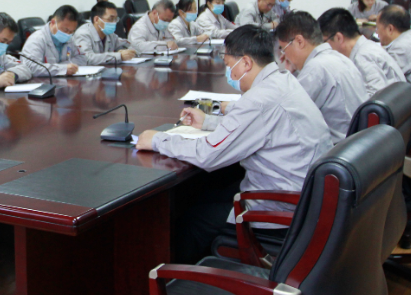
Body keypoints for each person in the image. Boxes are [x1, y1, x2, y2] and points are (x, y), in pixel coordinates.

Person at [136, 25, 332, 263]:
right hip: (305, 198)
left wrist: (157, 139)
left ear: (246, 63)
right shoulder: (283, 80)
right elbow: (256, 126)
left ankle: (184, 278)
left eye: (229, 65)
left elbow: (207, 154)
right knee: (206, 195)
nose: (229, 72)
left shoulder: (259, 100)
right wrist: (208, 121)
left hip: (281, 211)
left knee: (192, 220)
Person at [275, 11, 368, 143]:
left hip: (338, 147)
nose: (285, 56)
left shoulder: (315, 68)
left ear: (299, 41)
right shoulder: (339, 58)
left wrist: (287, 74)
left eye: (284, 49)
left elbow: (286, 117)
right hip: (358, 141)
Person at [318, 7, 406, 96]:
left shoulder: (362, 57)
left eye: (324, 41)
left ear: (338, 38)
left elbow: (375, 97)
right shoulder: (366, 47)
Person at [21, 5, 87, 76]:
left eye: (71, 31)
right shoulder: (37, 39)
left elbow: (82, 58)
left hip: (64, 79)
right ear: (53, 23)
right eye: (66, 30)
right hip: (42, 81)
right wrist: (62, 69)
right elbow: (31, 67)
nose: (68, 34)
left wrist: (63, 67)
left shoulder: (70, 38)